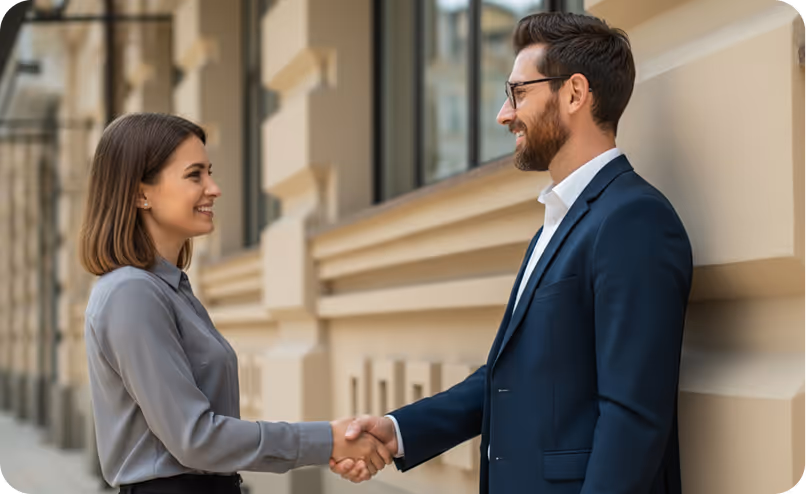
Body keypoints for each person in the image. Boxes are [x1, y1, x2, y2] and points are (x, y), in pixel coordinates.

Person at [332, 11, 693, 494]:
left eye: (519, 93)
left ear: (574, 93)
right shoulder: (562, 218)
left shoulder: (634, 220)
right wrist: (398, 431)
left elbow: (633, 418)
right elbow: (510, 379)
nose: (504, 114)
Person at [79, 112, 392, 494]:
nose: (214, 188)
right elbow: (196, 438)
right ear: (140, 192)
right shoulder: (132, 293)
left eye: (209, 172)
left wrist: (331, 443)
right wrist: (327, 440)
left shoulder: (170, 289)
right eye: (195, 175)